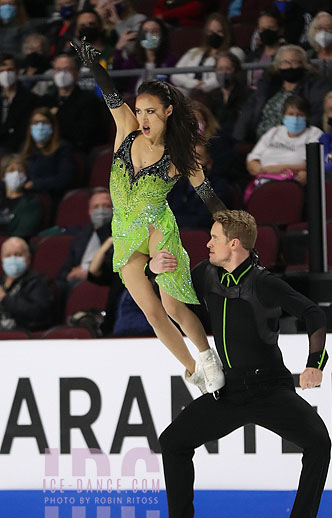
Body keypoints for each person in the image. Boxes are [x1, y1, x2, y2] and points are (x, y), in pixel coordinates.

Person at [148, 210, 332, 518]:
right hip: (229, 391)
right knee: (173, 442)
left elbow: (314, 314)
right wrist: (153, 268)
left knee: (319, 444)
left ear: (234, 244)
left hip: (270, 387)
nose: (207, 243)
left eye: (214, 238)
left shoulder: (265, 283)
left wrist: (315, 364)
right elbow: (168, 281)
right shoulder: (205, 274)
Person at [71, 37, 227, 394]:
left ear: (168, 112)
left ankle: (207, 355)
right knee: (151, 312)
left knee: (171, 303)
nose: (142, 118)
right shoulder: (126, 129)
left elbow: (206, 192)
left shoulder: (179, 153)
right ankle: (194, 372)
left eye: (150, 111)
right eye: (139, 110)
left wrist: (227, 222)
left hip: (158, 227)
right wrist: (97, 66)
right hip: (124, 232)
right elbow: (111, 95)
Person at [234, 45, 332, 143]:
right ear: (278, 65)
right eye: (284, 62)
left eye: (294, 62)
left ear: (304, 64)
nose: (289, 66)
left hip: (295, 142)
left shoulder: (316, 85)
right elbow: (249, 111)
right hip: (261, 143)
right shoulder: (268, 85)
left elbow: (316, 117)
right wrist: (238, 140)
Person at [246, 95, 323, 190]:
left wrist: (277, 169)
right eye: (291, 114)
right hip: (264, 181)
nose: (295, 118)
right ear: (284, 116)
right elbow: (252, 160)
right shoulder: (274, 132)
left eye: (300, 114)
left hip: (294, 183)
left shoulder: (314, 133)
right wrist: (260, 169)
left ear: (306, 117)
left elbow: (314, 164)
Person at [42, 53, 107, 152]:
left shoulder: (89, 100)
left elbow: (85, 133)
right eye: (58, 70)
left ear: (76, 73)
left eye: (67, 69)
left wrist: (57, 115)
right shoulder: (46, 100)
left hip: (76, 151)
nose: (62, 74)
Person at [170, 12, 245, 97]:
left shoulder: (235, 51)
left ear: (227, 33)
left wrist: (204, 86)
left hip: (215, 95)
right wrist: (193, 84)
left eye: (219, 31)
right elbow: (175, 75)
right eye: (210, 32)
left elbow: (224, 77)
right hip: (187, 94)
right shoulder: (194, 51)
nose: (214, 35)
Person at [57, 187, 113, 285]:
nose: (100, 211)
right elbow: (65, 268)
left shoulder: (119, 235)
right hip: (75, 283)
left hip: (101, 283)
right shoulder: (82, 235)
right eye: (96, 207)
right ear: (89, 211)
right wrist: (70, 274)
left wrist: (88, 273)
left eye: (106, 206)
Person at [21, 106, 75, 206]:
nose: (40, 126)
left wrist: (35, 184)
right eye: (35, 122)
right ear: (30, 126)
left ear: (52, 126)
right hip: (26, 198)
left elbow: (64, 179)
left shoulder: (62, 148)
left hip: (51, 199)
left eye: (44, 122)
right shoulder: (25, 147)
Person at [0, 236, 54, 331]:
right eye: (8, 256)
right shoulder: (1, 281)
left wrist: (5, 298)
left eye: (18, 254)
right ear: (2, 261)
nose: (13, 259)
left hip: (23, 336)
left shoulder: (38, 282)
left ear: (28, 259)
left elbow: (37, 313)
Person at [115, 17, 177, 94]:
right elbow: (118, 80)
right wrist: (118, 49)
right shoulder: (133, 60)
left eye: (154, 31)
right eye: (145, 31)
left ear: (162, 35)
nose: (149, 35)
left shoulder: (170, 59)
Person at [0, 52, 38, 154]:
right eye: (2, 71)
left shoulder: (30, 99)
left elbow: (23, 131)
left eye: (9, 70)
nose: (6, 74)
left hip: (17, 148)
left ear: (17, 71)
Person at [206, 52, 251, 137]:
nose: (223, 73)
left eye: (228, 69)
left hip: (236, 137)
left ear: (236, 71)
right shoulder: (211, 95)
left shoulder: (246, 94)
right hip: (216, 138)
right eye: (220, 69)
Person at [0, 153, 42, 238]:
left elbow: (22, 233)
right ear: (3, 176)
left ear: (26, 175)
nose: (16, 174)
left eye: (20, 170)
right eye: (11, 170)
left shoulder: (31, 203)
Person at [244, 9, 284, 91]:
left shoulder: (286, 55)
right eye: (262, 29)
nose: (266, 32)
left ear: (280, 30)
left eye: (271, 28)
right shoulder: (252, 55)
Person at [306, 11, 332, 79]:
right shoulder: (308, 56)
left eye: (328, 28)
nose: (323, 32)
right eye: (319, 28)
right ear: (313, 32)